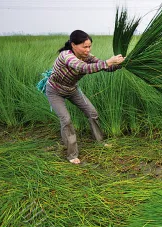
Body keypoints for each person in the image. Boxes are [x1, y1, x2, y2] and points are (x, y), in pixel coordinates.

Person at [45, 30, 125, 164]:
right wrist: (108, 61)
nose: (88, 50)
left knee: (92, 113)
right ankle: (72, 155)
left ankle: (100, 142)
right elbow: (84, 68)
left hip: (72, 89)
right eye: (85, 47)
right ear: (73, 45)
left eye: (89, 46)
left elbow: (104, 67)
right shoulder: (66, 56)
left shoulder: (87, 56)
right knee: (66, 120)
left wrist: (119, 64)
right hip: (55, 91)